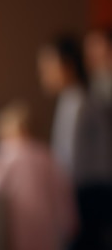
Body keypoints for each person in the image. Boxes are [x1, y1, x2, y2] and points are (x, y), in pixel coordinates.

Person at [0, 100, 77, 250]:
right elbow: (61, 190)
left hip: (21, 219)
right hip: (48, 221)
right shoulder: (44, 153)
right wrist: (68, 221)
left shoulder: (6, 152)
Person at [71, 28, 112, 250]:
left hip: (101, 181)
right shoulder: (93, 87)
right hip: (93, 181)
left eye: (96, 47)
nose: (90, 55)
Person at [37, 34, 87, 178]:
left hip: (89, 188)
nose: (43, 76)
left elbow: (68, 159)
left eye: (48, 68)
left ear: (69, 66)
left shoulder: (78, 103)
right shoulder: (68, 99)